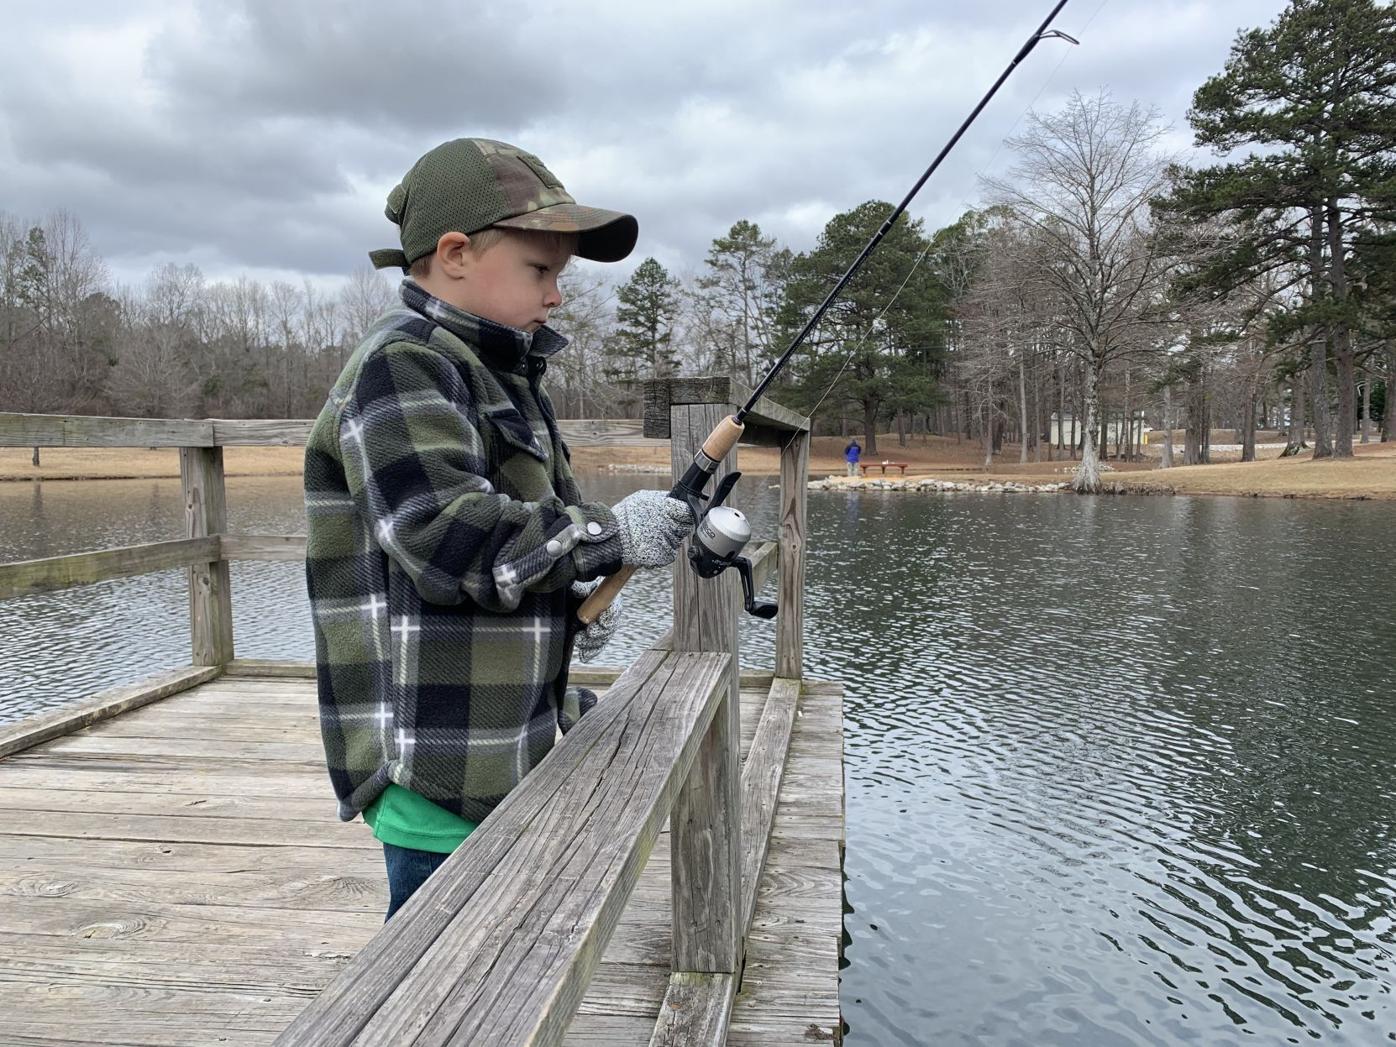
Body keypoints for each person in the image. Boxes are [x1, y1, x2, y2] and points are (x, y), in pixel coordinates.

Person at [303, 138, 694, 920]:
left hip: (509, 745)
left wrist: (569, 601)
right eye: (539, 271)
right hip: (439, 768)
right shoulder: (401, 365)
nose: (556, 295)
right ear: (454, 254)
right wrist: (605, 536)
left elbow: (518, 540)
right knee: (431, 987)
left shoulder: (500, 371)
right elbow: (448, 537)